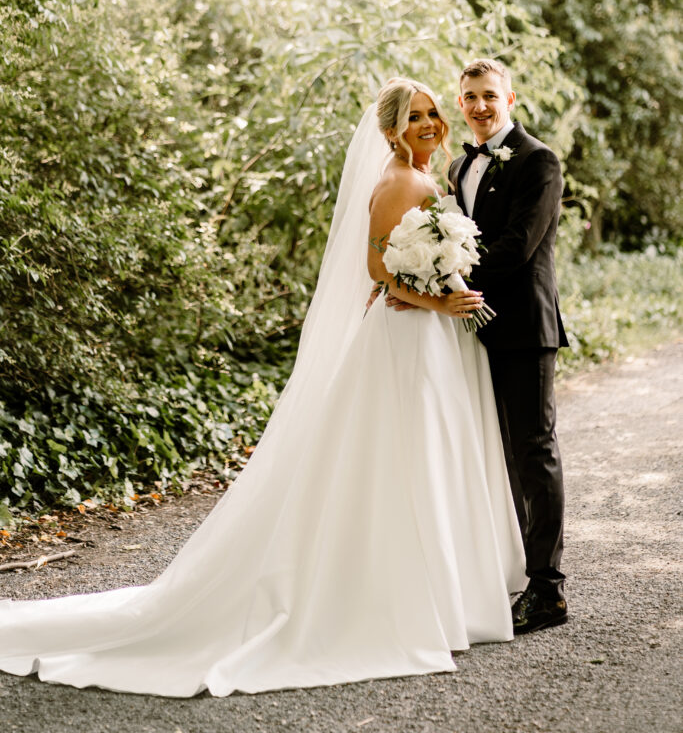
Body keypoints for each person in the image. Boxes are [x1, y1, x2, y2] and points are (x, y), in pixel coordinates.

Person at [0, 78, 525, 698]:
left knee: (428, 457)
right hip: (406, 340)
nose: (431, 123)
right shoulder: (398, 181)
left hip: (430, 337)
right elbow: (379, 273)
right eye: (416, 117)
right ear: (390, 130)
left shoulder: (420, 175)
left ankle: (443, 595)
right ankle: (408, 598)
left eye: (433, 112)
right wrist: (439, 301)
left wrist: (444, 289)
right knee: (403, 460)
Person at [449, 58, 569, 634]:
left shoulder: (539, 160)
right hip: (467, 332)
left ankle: (548, 591)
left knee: (533, 451)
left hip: (523, 329)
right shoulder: (455, 167)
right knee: (491, 457)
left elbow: (519, 247)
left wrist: (442, 278)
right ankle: (507, 575)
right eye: (469, 97)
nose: (479, 106)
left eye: (489, 96)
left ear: (511, 98)